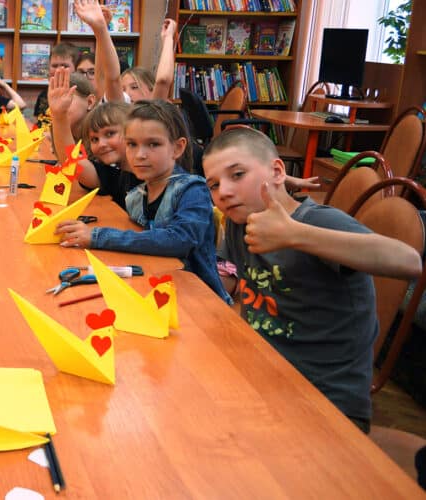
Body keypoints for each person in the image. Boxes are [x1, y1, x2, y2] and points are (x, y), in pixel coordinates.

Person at [203, 127, 422, 432]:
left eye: (237, 175)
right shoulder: (241, 223)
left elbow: (409, 261)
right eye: (213, 185)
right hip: (266, 375)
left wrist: (296, 235)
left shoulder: (316, 221)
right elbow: (232, 282)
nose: (223, 192)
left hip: (327, 401)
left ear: (277, 172)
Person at [52, 89, 229, 302]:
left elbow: (180, 239)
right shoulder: (136, 196)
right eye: (132, 145)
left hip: (199, 299)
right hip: (157, 286)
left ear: (177, 147)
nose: (140, 154)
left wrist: (99, 237)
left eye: (153, 144)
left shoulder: (193, 190)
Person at [118, 20, 177, 101]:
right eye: (123, 90)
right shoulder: (120, 107)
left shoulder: (152, 107)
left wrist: (168, 37)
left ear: (152, 89)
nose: (127, 94)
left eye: (134, 87)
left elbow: (163, 80)